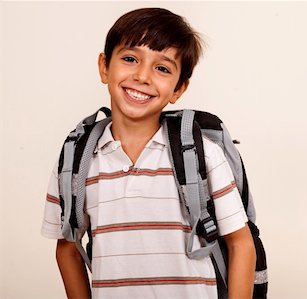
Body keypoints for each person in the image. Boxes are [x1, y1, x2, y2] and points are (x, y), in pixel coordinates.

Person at [41, 7, 256, 299]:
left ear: (179, 88)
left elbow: (241, 243)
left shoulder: (202, 153)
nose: (142, 76)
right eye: (130, 59)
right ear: (105, 66)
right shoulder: (76, 160)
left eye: (162, 68)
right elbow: (67, 249)